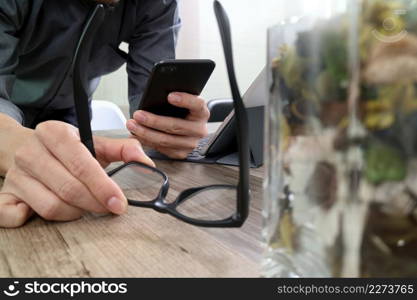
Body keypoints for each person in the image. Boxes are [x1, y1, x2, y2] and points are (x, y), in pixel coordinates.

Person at [0, 0, 210, 228]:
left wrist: (169, 129)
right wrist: (10, 138)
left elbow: (152, 109)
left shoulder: (157, 5)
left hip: (71, 115)